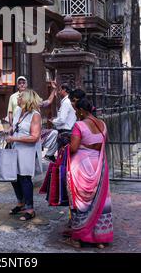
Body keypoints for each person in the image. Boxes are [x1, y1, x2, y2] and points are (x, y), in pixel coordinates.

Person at [65, 97, 113, 249]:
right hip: (98, 165)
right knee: (99, 200)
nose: (76, 114)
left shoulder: (79, 125)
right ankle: (99, 239)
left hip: (81, 166)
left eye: (76, 111)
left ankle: (78, 238)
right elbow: (105, 142)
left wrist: (64, 145)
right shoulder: (102, 124)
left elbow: (73, 148)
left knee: (80, 202)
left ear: (80, 111)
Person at [6, 89, 42, 221]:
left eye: (20, 97)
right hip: (15, 149)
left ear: (27, 99)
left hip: (27, 151)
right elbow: (15, 126)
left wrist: (14, 139)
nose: (18, 98)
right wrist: (10, 130)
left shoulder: (35, 115)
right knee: (13, 177)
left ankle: (30, 209)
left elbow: (35, 137)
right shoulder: (18, 111)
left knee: (25, 179)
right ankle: (20, 203)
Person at [45, 83, 77, 161]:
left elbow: (62, 119)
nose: (59, 92)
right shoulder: (67, 101)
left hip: (65, 132)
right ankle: (50, 155)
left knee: (63, 156)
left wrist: (53, 121)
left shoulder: (66, 102)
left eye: (60, 90)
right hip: (67, 131)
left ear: (64, 90)